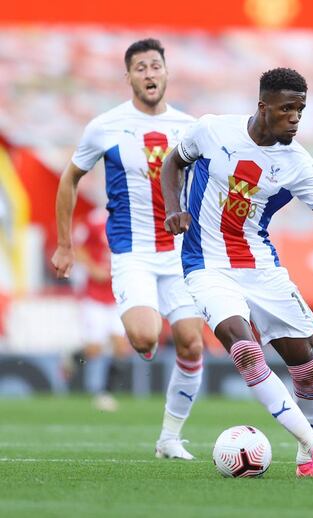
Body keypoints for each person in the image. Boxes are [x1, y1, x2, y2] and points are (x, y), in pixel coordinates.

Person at [160, 67, 313, 478]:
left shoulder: (297, 163)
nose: (295, 117)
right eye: (287, 109)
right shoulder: (212, 131)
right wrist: (174, 207)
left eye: (301, 109)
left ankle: (304, 460)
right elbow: (172, 164)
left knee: (308, 366)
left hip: (261, 268)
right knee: (244, 349)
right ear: (263, 107)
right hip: (207, 265)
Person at [51, 39, 206, 460]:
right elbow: (69, 179)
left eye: (156, 65)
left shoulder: (190, 127)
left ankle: (169, 439)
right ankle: (141, 340)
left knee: (193, 343)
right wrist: (66, 245)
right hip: (132, 252)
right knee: (142, 337)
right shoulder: (106, 126)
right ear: (129, 77)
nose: (150, 74)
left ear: (167, 73)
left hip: (179, 254)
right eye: (141, 68)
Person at [72, 208, 129, 412]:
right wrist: (93, 268)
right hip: (94, 296)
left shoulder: (130, 218)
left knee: (121, 345)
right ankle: (71, 359)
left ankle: (106, 393)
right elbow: (77, 247)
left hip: (117, 295)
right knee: (94, 349)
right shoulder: (94, 219)